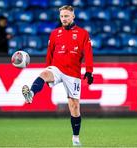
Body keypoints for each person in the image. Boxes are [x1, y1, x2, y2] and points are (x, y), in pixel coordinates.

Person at [22, 5, 93, 146]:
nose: (64, 19)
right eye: (61, 16)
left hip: (73, 73)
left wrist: (89, 71)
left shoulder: (83, 33)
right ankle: (30, 94)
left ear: (73, 16)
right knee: (43, 74)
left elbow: (88, 53)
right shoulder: (55, 33)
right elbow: (49, 53)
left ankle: (75, 137)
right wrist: (48, 67)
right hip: (57, 68)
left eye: (66, 16)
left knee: (74, 107)